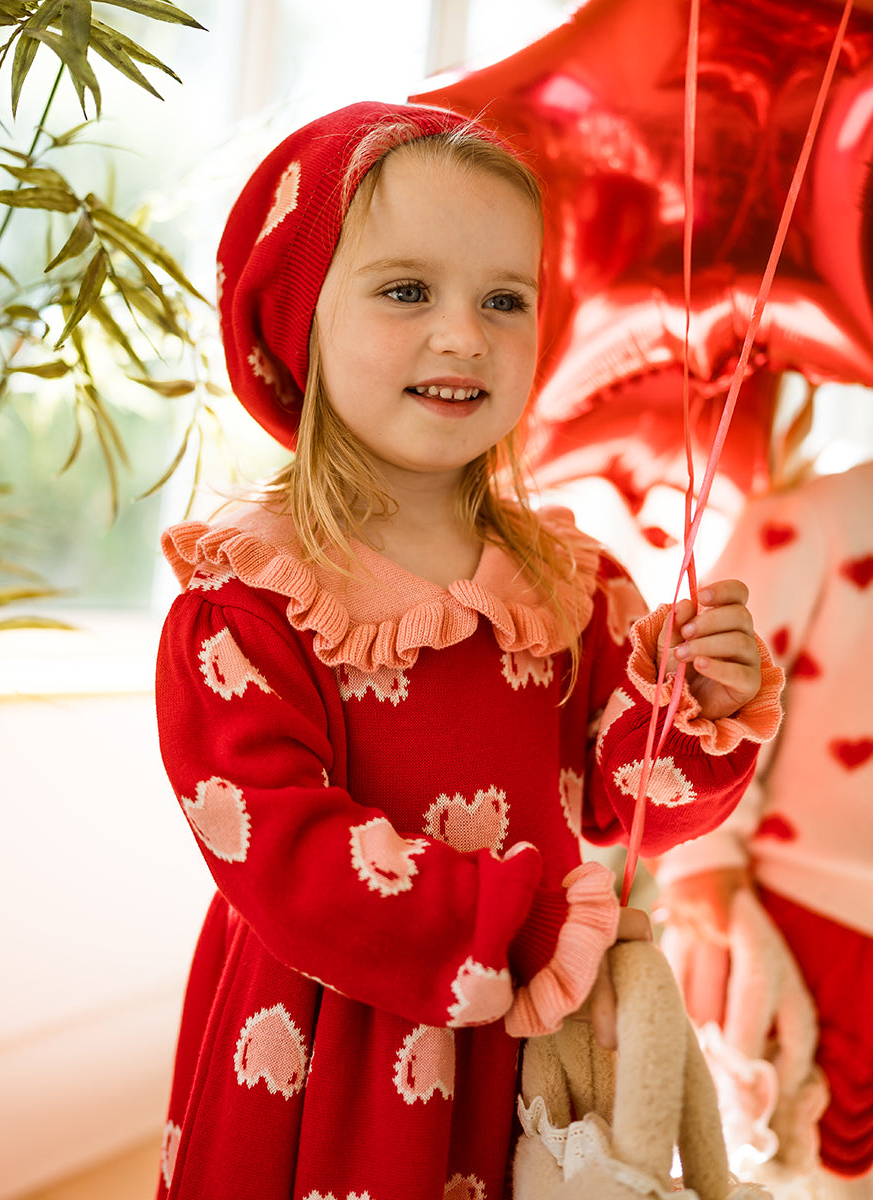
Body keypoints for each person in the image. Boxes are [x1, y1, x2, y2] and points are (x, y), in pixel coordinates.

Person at [153, 100, 783, 1200]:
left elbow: (624, 800)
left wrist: (696, 705)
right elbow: (282, 851)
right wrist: (523, 923)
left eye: (505, 299)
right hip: (326, 1049)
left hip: (524, 1041)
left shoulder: (569, 580)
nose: (464, 336)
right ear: (300, 319)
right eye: (408, 290)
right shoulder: (250, 594)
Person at [654, 459, 873, 1199]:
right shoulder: (813, 518)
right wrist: (705, 855)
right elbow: (705, 692)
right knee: (787, 1166)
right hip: (799, 919)